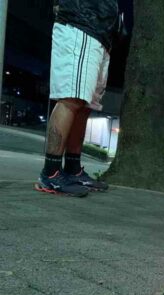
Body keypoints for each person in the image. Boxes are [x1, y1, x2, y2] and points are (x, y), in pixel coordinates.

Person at [36, 0, 120, 196]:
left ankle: (73, 169)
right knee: (71, 98)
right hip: (80, 23)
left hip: (101, 34)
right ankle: (50, 173)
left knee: (84, 105)